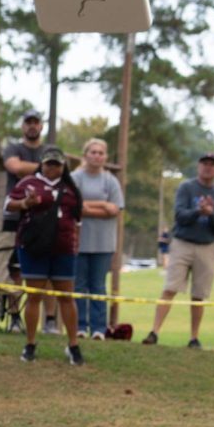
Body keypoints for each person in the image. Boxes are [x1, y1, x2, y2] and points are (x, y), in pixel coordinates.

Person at [5, 146, 84, 365]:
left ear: (63, 166)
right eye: (48, 163)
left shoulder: (70, 189)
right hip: (34, 248)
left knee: (66, 297)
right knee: (34, 296)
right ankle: (30, 343)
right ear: (42, 163)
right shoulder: (28, 183)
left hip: (63, 250)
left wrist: (75, 244)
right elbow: (8, 206)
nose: (52, 168)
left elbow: (78, 220)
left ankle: (73, 345)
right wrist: (25, 203)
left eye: (57, 164)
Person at [142, 153, 214, 348]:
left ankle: (194, 337)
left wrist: (211, 214)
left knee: (199, 294)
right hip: (183, 243)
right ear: (198, 166)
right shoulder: (186, 188)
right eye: (204, 164)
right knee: (170, 288)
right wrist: (198, 211)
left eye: (212, 165)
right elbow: (179, 215)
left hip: (207, 246)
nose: (208, 167)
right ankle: (154, 332)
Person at [1, 109, 57, 333]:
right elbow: (14, 166)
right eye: (28, 122)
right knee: (15, 270)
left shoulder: (50, 149)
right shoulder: (13, 148)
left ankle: (50, 321)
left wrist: (33, 169)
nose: (32, 126)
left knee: (49, 271)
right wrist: (46, 168)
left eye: (36, 122)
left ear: (42, 126)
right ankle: (15, 317)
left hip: (46, 221)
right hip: (15, 218)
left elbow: (58, 175)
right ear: (23, 126)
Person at [71, 139, 124, 339]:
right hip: (79, 241)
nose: (97, 156)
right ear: (85, 155)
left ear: (105, 157)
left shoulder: (110, 181)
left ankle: (99, 328)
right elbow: (76, 207)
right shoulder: (76, 178)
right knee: (79, 285)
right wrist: (102, 204)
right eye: (93, 152)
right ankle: (79, 326)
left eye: (101, 153)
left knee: (99, 286)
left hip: (103, 243)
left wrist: (89, 208)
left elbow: (115, 209)